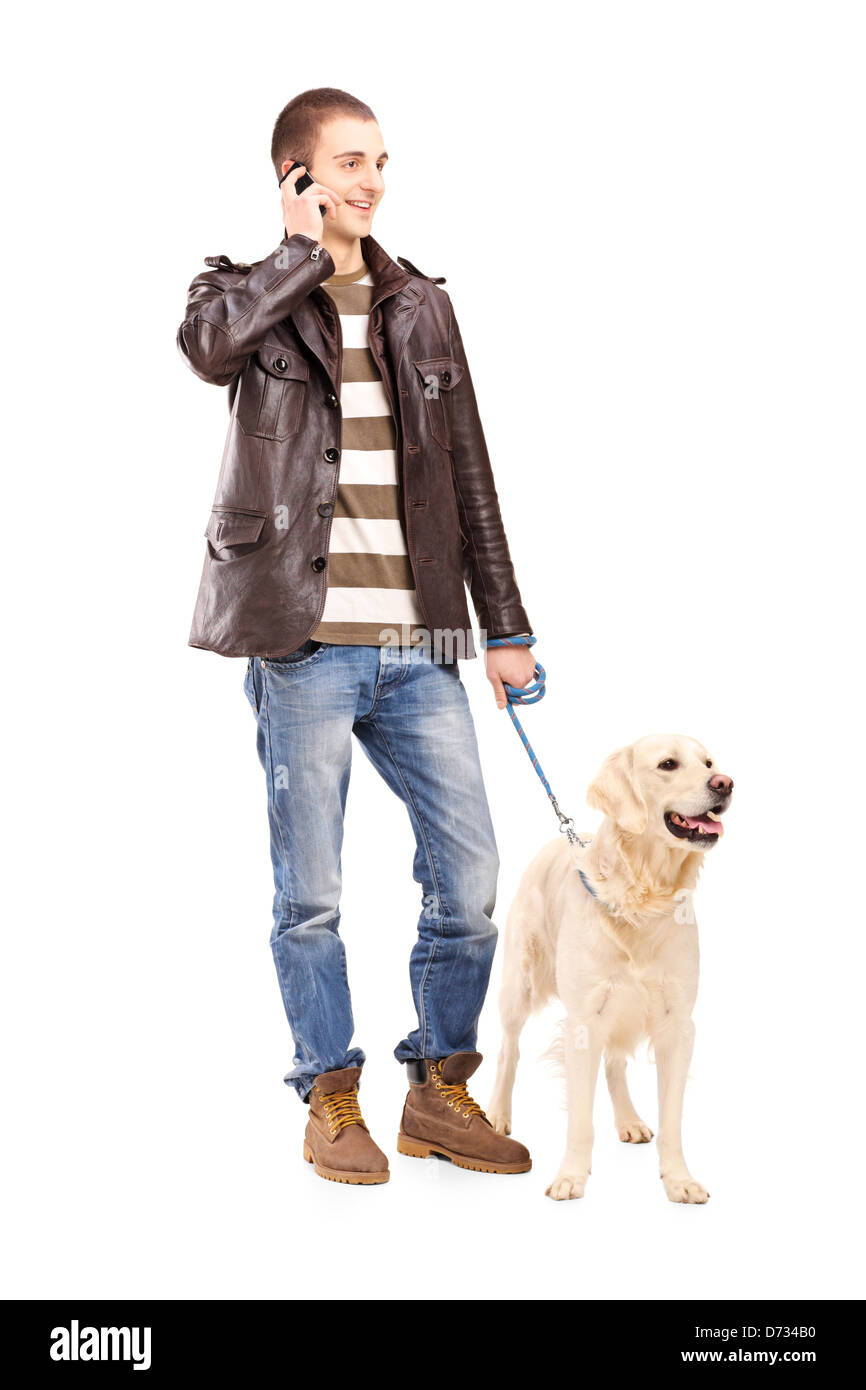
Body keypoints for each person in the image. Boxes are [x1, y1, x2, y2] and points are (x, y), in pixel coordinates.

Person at [177, 87, 537, 1185]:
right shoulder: (238, 292)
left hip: (420, 644)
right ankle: (329, 1098)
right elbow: (206, 351)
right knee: (312, 894)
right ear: (295, 175)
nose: (369, 181)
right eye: (345, 163)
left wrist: (504, 626)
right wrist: (292, 254)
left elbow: (468, 467)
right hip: (303, 645)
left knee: (468, 881)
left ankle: (437, 1088)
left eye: (379, 161)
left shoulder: (420, 302)